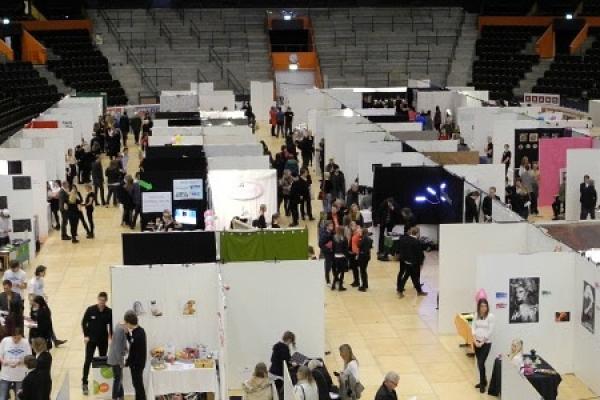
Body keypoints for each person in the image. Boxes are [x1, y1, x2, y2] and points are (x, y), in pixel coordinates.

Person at [81, 292, 113, 396]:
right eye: (100, 300)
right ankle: (84, 382)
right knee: (88, 360)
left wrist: (111, 337)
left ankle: (102, 381)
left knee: (103, 360)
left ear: (106, 301)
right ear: (97, 299)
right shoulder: (90, 310)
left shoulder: (109, 312)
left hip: (103, 340)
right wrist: (86, 335)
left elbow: (111, 326)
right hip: (91, 340)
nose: (101, 302)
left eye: (103, 300)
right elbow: (84, 322)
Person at [0, 329, 31, 400]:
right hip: (5, 376)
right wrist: (3, 361)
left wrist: (19, 362)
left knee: (19, 398)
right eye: (14, 338)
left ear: (21, 336)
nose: (16, 340)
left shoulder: (26, 342)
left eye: (18, 338)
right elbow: (0, 354)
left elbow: (29, 358)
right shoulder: (5, 341)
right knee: (2, 397)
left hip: (20, 377)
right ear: (11, 336)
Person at [396, 226, 427, 297]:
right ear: (417, 233)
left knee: (411, 276)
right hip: (414, 262)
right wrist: (421, 262)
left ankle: (418, 291)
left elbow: (401, 249)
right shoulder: (416, 242)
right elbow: (419, 254)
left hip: (406, 261)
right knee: (411, 277)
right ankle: (400, 291)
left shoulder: (404, 239)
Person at [472, 298, 494, 393]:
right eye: (482, 306)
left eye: (485, 306)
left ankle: (482, 384)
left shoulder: (490, 316)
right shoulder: (476, 315)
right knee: (479, 363)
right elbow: (473, 327)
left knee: (481, 362)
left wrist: (482, 342)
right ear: (479, 307)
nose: (483, 308)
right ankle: (484, 381)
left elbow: (490, 331)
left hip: (486, 343)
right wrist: (475, 341)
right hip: (476, 342)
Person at [108, 314, 130, 400]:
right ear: (126, 323)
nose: (129, 329)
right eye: (129, 327)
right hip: (115, 359)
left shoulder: (119, 326)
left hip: (115, 357)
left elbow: (121, 343)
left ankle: (121, 396)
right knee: (117, 379)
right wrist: (121, 362)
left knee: (119, 378)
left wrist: (126, 349)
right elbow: (117, 349)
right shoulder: (120, 330)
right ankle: (115, 398)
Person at [125, 311, 146, 400]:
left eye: (126, 323)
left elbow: (133, 351)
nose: (126, 325)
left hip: (137, 364)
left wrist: (128, 363)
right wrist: (127, 334)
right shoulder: (139, 331)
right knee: (136, 384)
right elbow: (132, 343)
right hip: (138, 363)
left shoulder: (138, 334)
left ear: (129, 323)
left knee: (138, 385)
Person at [332, 226, 348, 291]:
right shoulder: (344, 238)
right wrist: (346, 256)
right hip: (342, 257)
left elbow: (333, 247)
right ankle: (340, 286)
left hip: (336, 256)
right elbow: (346, 249)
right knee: (342, 272)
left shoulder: (334, 237)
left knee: (337, 271)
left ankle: (333, 284)